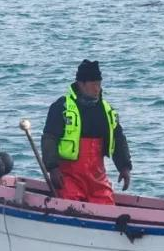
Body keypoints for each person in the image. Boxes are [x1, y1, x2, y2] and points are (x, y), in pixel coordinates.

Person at [40, 59, 132, 204]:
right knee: (70, 205)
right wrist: (53, 168)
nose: (98, 89)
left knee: (107, 206)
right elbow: (49, 138)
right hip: (69, 177)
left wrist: (124, 167)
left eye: (99, 84)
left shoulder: (107, 111)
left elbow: (118, 139)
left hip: (97, 179)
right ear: (81, 84)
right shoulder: (61, 107)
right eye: (94, 84)